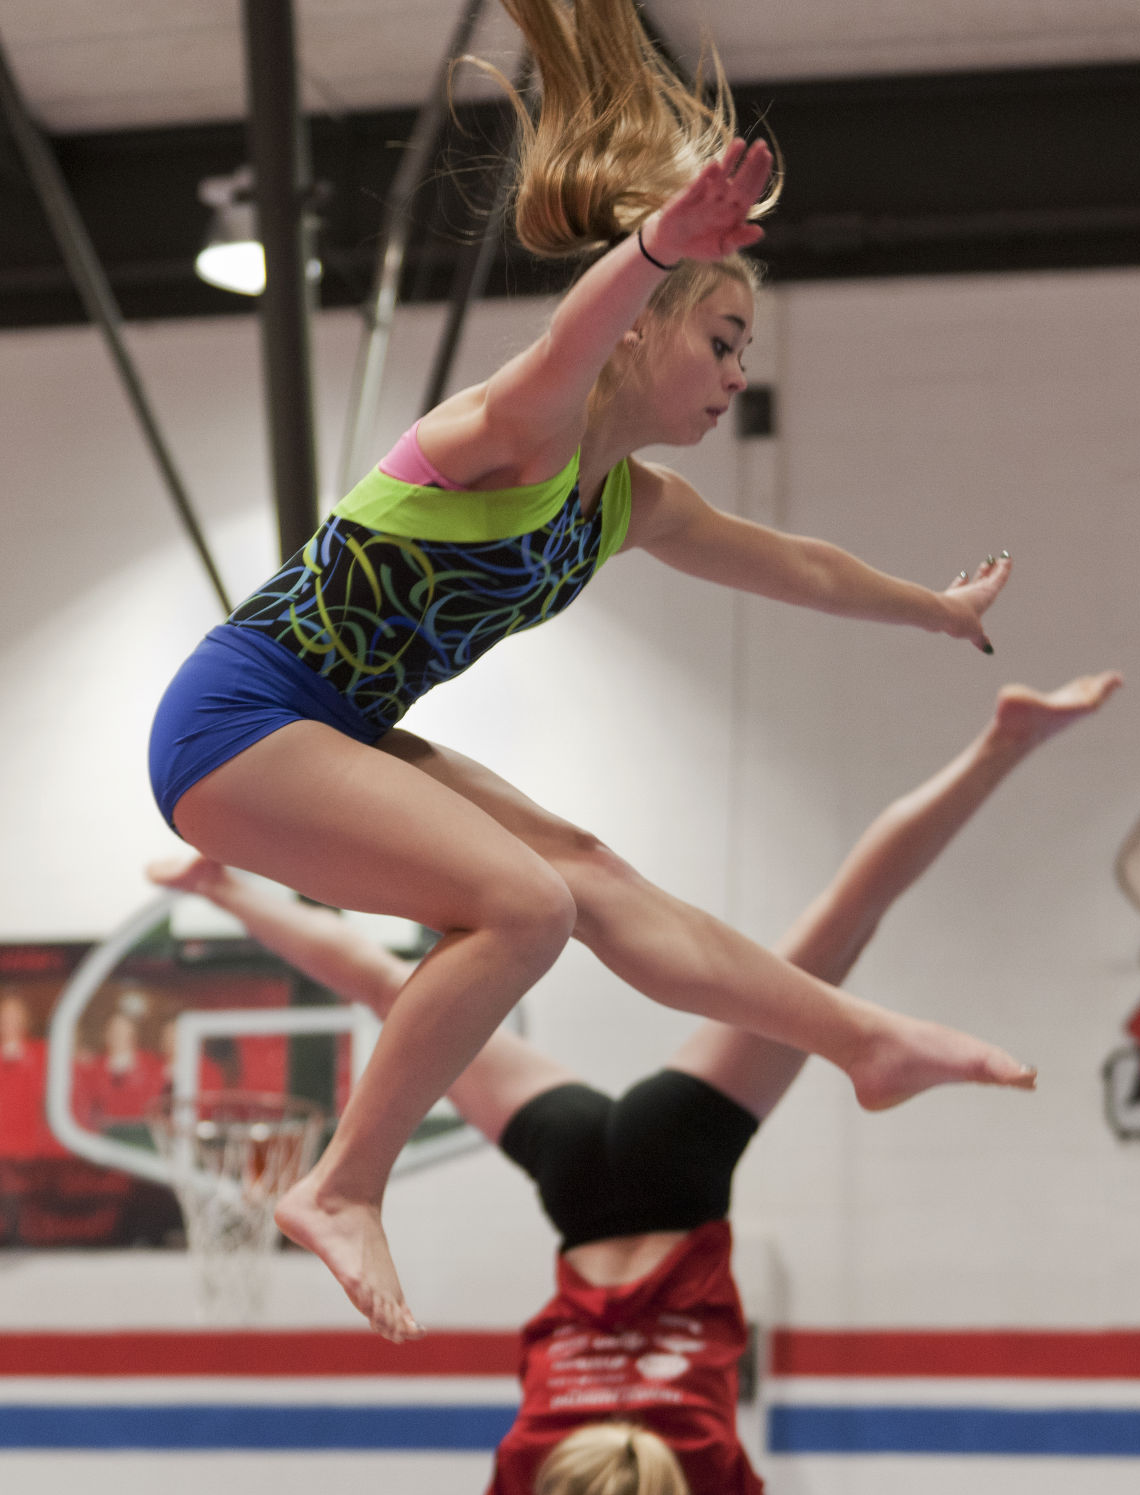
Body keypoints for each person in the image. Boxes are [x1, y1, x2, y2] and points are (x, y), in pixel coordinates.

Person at [148, 0, 1033, 1342]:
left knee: (590, 873)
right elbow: (567, 342)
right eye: (720, 339)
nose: (737, 372)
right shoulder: (508, 429)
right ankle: (343, 1181)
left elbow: (791, 563)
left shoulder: (627, 503)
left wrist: (929, 610)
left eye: (744, 350)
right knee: (522, 904)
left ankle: (856, 1040)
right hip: (237, 718)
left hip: (331, 723)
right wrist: (653, 247)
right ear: (638, 330)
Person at [149, 668, 1121, 1495]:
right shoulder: (530, 1463)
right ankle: (226, 889)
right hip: (577, 1180)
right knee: (391, 991)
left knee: (832, 934)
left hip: (678, 1163)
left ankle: (999, 745)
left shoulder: (704, 1461)